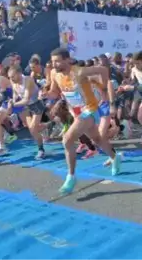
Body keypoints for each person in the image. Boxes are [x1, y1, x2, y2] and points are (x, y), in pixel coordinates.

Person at [49, 48, 122, 194]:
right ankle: (115, 157)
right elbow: (54, 92)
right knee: (97, 140)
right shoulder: (54, 74)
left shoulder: (80, 72)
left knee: (67, 140)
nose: (55, 64)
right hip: (76, 111)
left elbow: (103, 70)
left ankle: (71, 176)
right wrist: (45, 94)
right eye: (53, 62)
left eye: (57, 61)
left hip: (90, 109)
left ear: (67, 60)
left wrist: (103, 85)